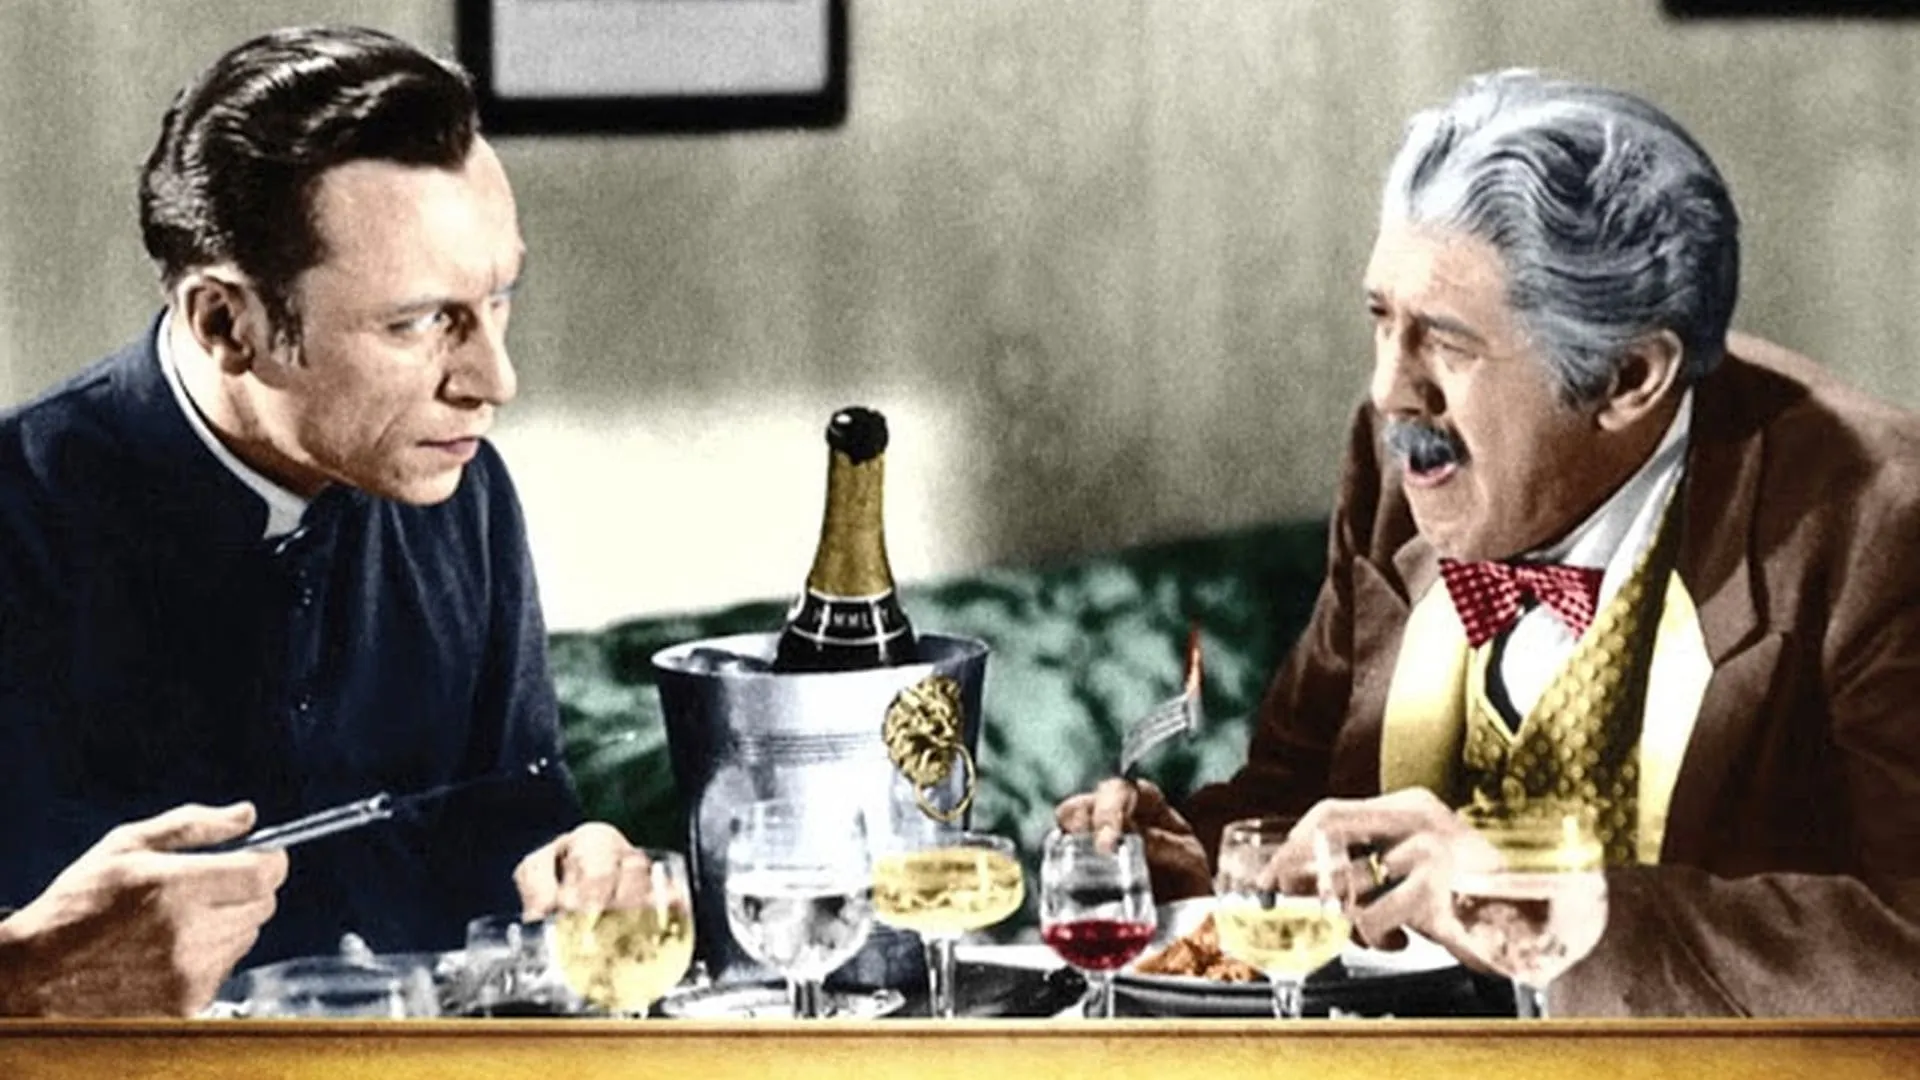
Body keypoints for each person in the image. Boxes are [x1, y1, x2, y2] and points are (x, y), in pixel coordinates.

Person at [1059, 69, 1920, 1016]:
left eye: (1448, 342)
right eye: (1381, 320)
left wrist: (1542, 911)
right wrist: (1207, 861)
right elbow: (1302, 790)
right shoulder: (1399, 456)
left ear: (1629, 378)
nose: (1390, 391)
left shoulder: (1882, 521)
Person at [0, 26, 642, 1017]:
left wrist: (576, 865)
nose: (494, 381)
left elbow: (515, 825)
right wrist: (23, 978)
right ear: (226, 323)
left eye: (497, 301)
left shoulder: (465, 493)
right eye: (418, 321)